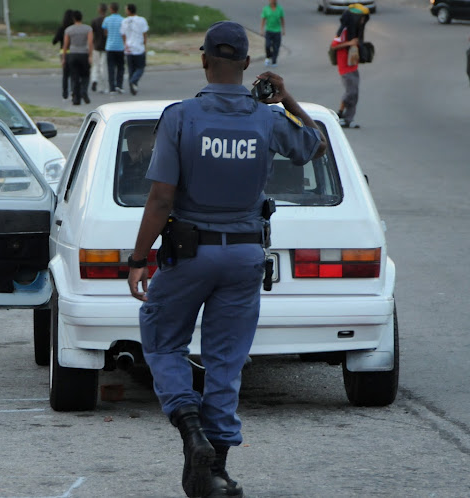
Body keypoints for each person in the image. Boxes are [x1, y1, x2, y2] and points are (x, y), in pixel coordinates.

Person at [127, 21, 326, 498]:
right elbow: (313, 145)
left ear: (202, 60)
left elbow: (159, 199)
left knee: (162, 342)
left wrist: (138, 258)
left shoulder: (181, 117)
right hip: (242, 256)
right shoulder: (267, 119)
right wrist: (288, 98)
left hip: (189, 253)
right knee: (225, 363)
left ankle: (190, 429)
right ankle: (217, 471)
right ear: (245, 65)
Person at [331, 3, 370, 128]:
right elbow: (334, 45)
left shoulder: (356, 31)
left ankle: (349, 119)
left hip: (353, 66)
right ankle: (340, 113)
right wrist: (349, 43)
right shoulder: (344, 30)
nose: (363, 21)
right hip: (344, 67)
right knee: (350, 92)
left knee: (355, 93)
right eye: (361, 18)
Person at [64, 10, 94, 106]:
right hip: (83, 53)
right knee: (85, 75)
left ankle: (76, 98)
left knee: (74, 77)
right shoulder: (88, 29)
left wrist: (64, 57)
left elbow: (66, 45)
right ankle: (83, 90)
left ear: (73, 18)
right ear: (82, 18)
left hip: (73, 54)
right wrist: (90, 55)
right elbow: (90, 43)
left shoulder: (69, 30)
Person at [121, 3, 149, 95]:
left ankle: (132, 85)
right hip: (138, 47)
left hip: (129, 47)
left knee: (131, 69)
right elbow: (144, 34)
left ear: (129, 10)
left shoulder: (124, 21)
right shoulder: (141, 20)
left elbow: (123, 34)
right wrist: (145, 44)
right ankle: (134, 81)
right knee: (140, 67)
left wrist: (125, 43)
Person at [102, 2, 125, 94]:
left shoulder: (107, 19)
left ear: (111, 9)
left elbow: (105, 32)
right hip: (120, 46)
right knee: (120, 67)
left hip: (110, 46)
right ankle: (119, 85)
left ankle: (112, 87)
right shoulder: (122, 20)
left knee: (111, 68)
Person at [53, 9, 75, 101]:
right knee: (74, 74)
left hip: (63, 52)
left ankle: (65, 93)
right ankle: (73, 91)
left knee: (65, 75)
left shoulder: (61, 28)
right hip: (74, 52)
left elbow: (54, 41)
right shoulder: (74, 29)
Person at [90, 3, 109, 94]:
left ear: (99, 10)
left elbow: (92, 33)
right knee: (103, 66)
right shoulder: (107, 20)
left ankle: (94, 79)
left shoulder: (94, 20)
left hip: (96, 45)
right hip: (105, 46)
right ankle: (102, 87)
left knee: (95, 65)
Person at [260, 0, 285, 67]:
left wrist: (283, 29)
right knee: (267, 45)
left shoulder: (279, 9)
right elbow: (263, 19)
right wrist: (262, 29)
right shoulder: (266, 9)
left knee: (276, 47)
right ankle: (268, 57)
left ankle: (274, 61)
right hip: (269, 30)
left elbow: (282, 19)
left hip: (277, 31)